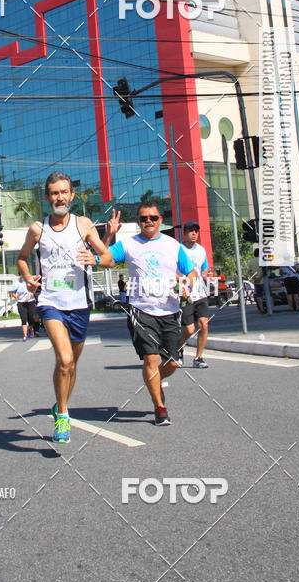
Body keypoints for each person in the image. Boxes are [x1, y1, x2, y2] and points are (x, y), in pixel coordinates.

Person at [18, 172, 112, 444]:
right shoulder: (38, 229)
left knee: (71, 366)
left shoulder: (83, 225)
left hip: (79, 304)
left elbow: (107, 258)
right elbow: (22, 258)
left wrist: (93, 258)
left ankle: (59, 404)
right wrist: (27, 277)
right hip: (50, 302)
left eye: (64, 192)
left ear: (71, 195)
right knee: (65, 359)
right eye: (54, 193)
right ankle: (62, 415)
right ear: (47, 198)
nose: (60, 197)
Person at [96, 203, 195, 426]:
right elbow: (104, 261)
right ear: (139, 222)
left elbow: (191, 271)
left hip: (170, 310)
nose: (148, 221)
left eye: (152, 217)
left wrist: (187, 284)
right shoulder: (129, 244)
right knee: (150, 358)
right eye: (143, 218)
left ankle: (156, 380)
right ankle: (159, 407)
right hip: (141, 310)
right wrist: (108, 235)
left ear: (160, 220)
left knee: (172, 363)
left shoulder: (173, 245)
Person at [178, 221, 210, 368]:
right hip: (186, 294)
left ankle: (198, 358)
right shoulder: (178, 249)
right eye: (191, 231)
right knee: (189, 329)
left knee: (203, 325)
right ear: (184, 233)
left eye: (196, 231)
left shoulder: (201, 250)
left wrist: (206, 274)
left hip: (201, 293)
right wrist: (183, 283)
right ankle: (178, 350)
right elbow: (173, 270)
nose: (194, 234)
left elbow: (204, 269)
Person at [12, 275, 37, 340]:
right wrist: (16, 297)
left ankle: (31, 329)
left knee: (31, 318)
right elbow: (13, 293)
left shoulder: (30, 281)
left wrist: (31, 294)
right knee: (23, 319)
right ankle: (25, 335)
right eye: (21, 276)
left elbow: (35, 289)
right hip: (21, 303)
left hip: (30, 301)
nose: (22, 277)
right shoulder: (16, 283)